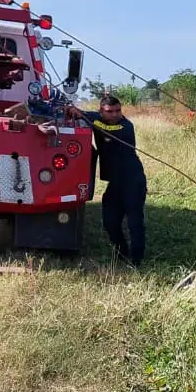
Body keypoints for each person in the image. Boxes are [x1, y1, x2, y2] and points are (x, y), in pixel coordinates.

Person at [64, 94, 147, 265]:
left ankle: (136, 260)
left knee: (134, 221)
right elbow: (86, 116)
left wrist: (86, 117)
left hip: (133, 180)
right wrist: (74, 111)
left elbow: (103, 128)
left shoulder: (125, 127)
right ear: (101, 111)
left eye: (117, 111)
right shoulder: (97, 118)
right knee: (110, 222)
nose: (115, 114)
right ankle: (122, 254)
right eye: (110, 111)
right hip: (115, 183)